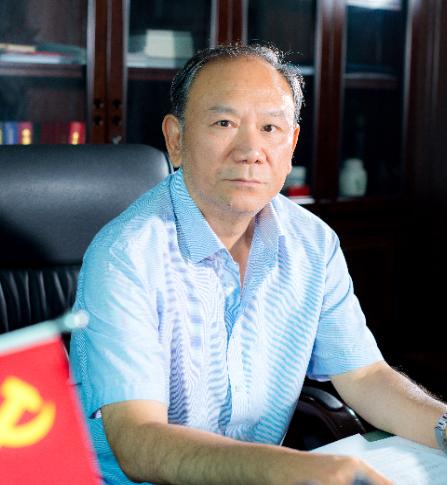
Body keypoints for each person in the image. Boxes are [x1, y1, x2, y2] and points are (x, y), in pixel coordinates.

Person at [69, 44, 447, 485]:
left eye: (270, 128)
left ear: (292, 145)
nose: (251, 150)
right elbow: (139, 441)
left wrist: (444, 426)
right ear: (176, 139)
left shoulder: (313, 243)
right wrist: (292, 468)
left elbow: (363, 375)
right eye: (224, 123)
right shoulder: (125, 256)